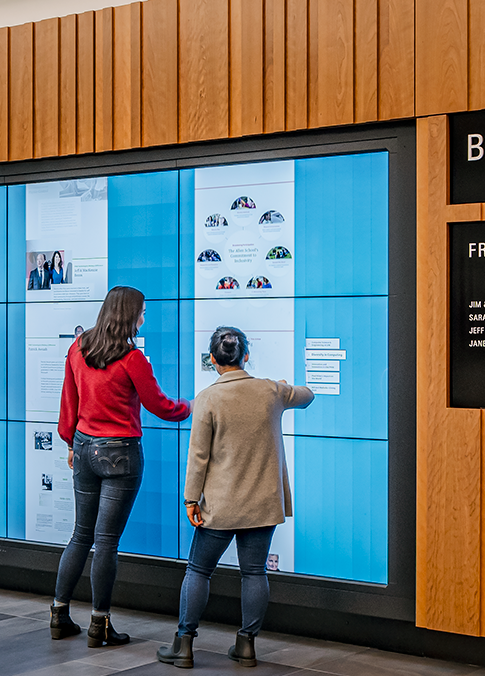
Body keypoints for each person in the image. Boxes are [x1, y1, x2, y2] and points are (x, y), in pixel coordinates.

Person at [157, 327, 313, 669]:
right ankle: (246, 645)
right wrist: (282, 384)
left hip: (220, 504)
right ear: (245, 356)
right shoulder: (271, 390)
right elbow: (308, 395)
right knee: (254, 573)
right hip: (262, 503)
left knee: (198, 570)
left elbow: (198, 456)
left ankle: (183, 646)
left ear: (213, 360)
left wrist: (190, 499)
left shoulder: (208, 398)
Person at [51, 286, 189, 646]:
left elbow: (69, 402)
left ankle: (59, 614)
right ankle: (99, 625)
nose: (145, 318)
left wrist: (69, 442)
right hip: (120, 453)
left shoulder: (77, 348)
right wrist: (190, 407)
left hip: (82, 448)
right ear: (128, 314)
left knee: (81, 535)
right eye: (142, 312)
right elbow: (159, 405)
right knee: (106, 542)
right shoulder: (132, 360)